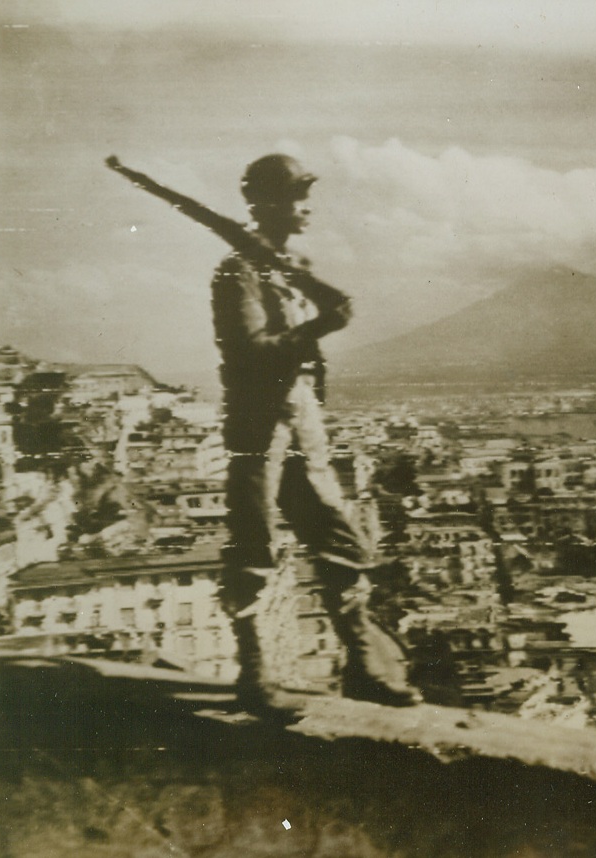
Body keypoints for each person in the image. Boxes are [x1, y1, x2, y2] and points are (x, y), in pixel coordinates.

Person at [210, 153, 417, 711]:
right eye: (296, 197)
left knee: (337, 537)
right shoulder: (237, 272)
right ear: (265, 204)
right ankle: (255, 676)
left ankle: (364, 667)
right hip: (257, 419)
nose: (307, 208)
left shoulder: (297, 264)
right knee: (254, 544)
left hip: (302, 415)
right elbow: (250, 353)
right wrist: (322, 324)